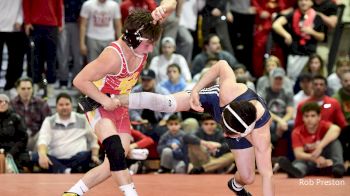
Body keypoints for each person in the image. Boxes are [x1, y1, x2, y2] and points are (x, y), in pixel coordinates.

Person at [63, 1, 177, 196]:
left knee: (114, 162)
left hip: (120, 105)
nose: (150, 50)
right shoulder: (113, 56)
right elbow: (79, 80)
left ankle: (73, 193)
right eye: (148, 45)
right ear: (133, 39)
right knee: (116, 151)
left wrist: (162, 9)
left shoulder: (144, 31)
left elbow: (172, 3)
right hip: (100, 103)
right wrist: (105, 100)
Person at [117, 60, 274, 195]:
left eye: (229, 133)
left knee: (248, 178)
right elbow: (221, 64)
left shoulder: (261, 134)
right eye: (224, 129)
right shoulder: (228, 91)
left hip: (237, 120)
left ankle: (235, 186)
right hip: (216, 100)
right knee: (166, 103)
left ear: (244, 132)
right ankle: (116, 99)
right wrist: (196, 90)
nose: (224, 133)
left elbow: (267, 175)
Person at [31, 93, 100, 173]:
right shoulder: (49, 121)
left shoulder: (83, 119)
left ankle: (61, 170)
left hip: (77, 160)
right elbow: (43, 141)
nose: (64, 107)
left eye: (67, 104)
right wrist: (42, 156)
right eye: (61, 105)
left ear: (72, 105)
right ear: (56, 106)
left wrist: (95, 155)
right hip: (55, 159)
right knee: (35, 156)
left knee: (85, 155)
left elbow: (93, 140)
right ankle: (68, 171)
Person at [277, 102, 345, 178]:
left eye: (313, 116)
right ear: (302, 118)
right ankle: (296, 171)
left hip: (326, 159)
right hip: (309, 160)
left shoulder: (324, 125)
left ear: (319, 117)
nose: (309, 119)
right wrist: (314, 158)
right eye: (306, 116)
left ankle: (338, 167)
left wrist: (320, 147)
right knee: (300, 163)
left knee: (335, 142)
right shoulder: (296, 132)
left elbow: (336, 129)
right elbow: (298, 154)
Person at [10, 77, 52, 151]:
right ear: (17, 90)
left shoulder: (41, 103)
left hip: (36, 137)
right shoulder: (11, 104)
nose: (26, 91)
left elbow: (49, 122)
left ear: (32, 89)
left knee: (44, 135)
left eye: (29, 88)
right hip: (17, 137)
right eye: (23, 88)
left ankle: (38, 159)